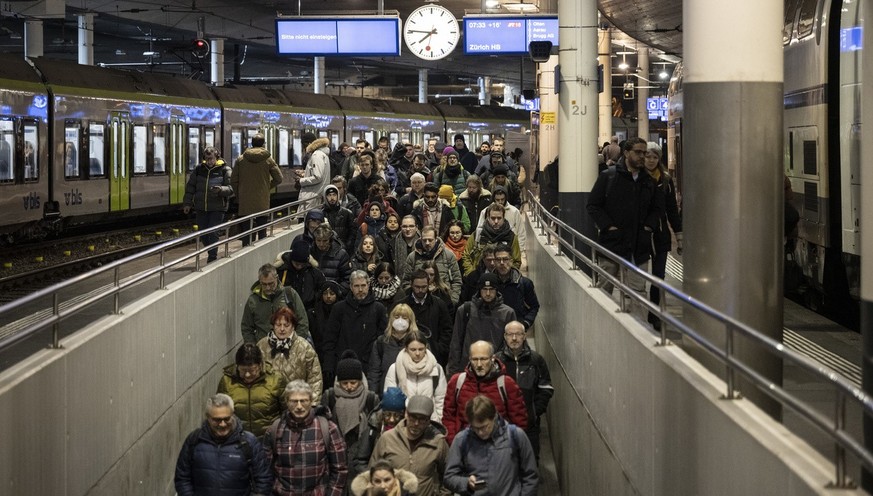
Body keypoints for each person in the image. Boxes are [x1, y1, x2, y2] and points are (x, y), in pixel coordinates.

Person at [586, 137, 664, 305]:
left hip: (639, 248)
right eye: (638, 152)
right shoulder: (609, 177)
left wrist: (648, 227)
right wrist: (608, 226)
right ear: (627, 153)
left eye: (644, 153)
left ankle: (638, 329)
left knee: (638, 295)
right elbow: (593, 205)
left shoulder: (649, 182)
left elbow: (658, 209)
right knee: (603, 291)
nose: (642, 156)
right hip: (612, 245)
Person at [174, 393, 272, 496]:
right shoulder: (194, 440)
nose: (223, 424)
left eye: (227, 419)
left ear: (233, 415)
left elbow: (264, 480)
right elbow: (182, 478)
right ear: (208, 417)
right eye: (217, 420)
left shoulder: (249, 442)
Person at [264, 380, 348, 496]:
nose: (299, 406)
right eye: (294, 401)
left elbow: (340, 469)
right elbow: (265, 471)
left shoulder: (327, 428)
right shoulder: (274, 430)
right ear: (286, 402)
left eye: (303, 401)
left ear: (311, 401)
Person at [443, 395, 538, 495]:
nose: (480, 432)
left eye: (484, 427)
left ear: (494, 417)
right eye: (475, 428)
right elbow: (449, 477)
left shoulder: (515, 436)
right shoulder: (462, 440)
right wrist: (466, 483)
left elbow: (530, 476)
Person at [443, 341, 527, 444]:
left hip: (498, 446)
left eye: (483, 359)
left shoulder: (506, 384)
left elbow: (519, 421)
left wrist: (509, 448)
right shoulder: (457, 382)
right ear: (469, 359)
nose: (479, 364)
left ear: (492, 358)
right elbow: (448, 416)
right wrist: (454, 442)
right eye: (475, 359)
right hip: (465, 446)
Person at [495, 321, 553, 460]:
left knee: (530, 460)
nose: (514, 338)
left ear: (524, 336)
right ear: (505, 336)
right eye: (510, 334)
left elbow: (546, 388)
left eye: (518, 334)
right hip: (503, 424)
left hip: (529, 424)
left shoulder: (536, 360)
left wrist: (534, 412)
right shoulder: (496, 361)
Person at [322, 350, 381, 486]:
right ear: (338, 381)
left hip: (362, 457)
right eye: (345, 383)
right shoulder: (330, 396)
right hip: (336, 455)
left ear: (360, 381)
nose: (349, 387)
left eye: (353, 382)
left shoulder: (370, 398)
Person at [370, 396, 449, 496]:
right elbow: (372, 473)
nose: (416, 423)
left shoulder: (438, 442)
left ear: (429, 420)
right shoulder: (387, 439)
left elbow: (448, 475)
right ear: (406, 414)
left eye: (422, 420)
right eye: (413, 417)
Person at [644, 142, 683, 328]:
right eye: (648, 156)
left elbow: (672, 211)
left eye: (655, 157)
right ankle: (639, 311)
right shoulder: (636, 177)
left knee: (658, 276)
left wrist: (679, 235)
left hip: (661, 235)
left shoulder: (665, 180)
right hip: (641, 235)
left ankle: (654, 313)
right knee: (638, 274)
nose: (651, 160)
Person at [323, 270, 388, 381]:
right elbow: (330, 339)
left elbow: (382, 340)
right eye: (357, 286)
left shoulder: (378, 309)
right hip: (343, 364)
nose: (360, 290)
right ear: (351, 287)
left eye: (363, 285)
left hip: (369, 366)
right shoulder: (339, 309)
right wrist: (328, 365)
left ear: (368, 286)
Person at [447, 273, 516, 376]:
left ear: (497, 290)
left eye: (491, 289)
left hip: (496, 370)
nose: (488, 293)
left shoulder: (507, 313)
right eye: (484, 289)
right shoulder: (465, 310)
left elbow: (510, 345)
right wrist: (453, 373)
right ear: (479, 290)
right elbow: (456, 343)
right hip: (468, 370)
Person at [217, 343, 286, 439]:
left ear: (260, 365)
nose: (247, 375)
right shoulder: (227, 382)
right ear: (237, 366)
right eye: (243, 370)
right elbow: (219, 412)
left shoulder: (275, 380)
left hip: (268, 439)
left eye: (252, 370)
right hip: (237, 439)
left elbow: (286, 412)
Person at [257, 307, 323, 402]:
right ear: (273, 326)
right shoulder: (262, 346)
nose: (282, 329)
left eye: (286, 325)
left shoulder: (305, 348)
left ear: (293, 326)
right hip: (268, 405)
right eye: (278, 325)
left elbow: (315, 379)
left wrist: (312, 404)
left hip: (298, 403)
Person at [183, 146, 234, 263]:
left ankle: (212, 257)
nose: (209, 162)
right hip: (201, 207)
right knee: (203, 234)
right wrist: (187, 204)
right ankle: (211, 252)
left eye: (211, 159)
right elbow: (190, 188)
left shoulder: (225, 170)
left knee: (213, 232)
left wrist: (221, 190)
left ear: (217, 157)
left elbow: (231, 188)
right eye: (207, 159)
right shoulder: (199, 170)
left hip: (218, 207)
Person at [230, 133, 282, 246]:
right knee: (262, 233)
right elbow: (279, 178)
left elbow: (233, 181)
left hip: (245, 202)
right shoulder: (268, 159)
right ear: (263, 144)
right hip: (262, 202)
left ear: (251, 143)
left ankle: (245, 255)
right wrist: (267, 187)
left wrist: (239, 194)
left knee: (246, 234)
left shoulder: (241, 159)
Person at [384, 331, 447, 421]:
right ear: (406, 348)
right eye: (413, 349)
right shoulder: (395, 368)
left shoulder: (436, 368)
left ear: (426, 348)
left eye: (421, 349)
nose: (417, 353)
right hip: (403, 421)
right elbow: (390, 400)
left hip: (430, 421)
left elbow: (441, 399)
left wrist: (439, 421)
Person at [241, 264, 311, 344]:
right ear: (259, 281)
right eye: (264, 284)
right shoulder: (253, 301)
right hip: (263, 350)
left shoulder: (290, 294)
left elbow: (303, 322)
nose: (268, 288)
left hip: (290, 348)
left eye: (271, 284)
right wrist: (253, 348)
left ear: (277, 278)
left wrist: (294, 343)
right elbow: (246, 328)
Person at [273, 239, 327, 331]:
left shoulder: (314, 273)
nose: (299, 267)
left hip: (309, 314)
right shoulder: (281, 271)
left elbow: (321, 291)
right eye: (296, 264)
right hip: (284, 315)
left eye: (302, 264)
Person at [401, 226, 462, 306]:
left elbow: (457, 281)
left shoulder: (448, 255)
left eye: (430, 240)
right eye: (424, 240)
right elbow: (406, 282)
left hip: (444, 301)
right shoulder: (412, 257)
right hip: (418, 303)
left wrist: (452, 300)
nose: (427, 243)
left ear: (436, 239)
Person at [367, 303, 419, 393]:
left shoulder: (417, 343)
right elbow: (374, 372)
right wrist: (373, 395)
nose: (400, 320)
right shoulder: (381, 342)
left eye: (404, 318)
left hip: (411, 392)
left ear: (410, 321)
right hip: (387, 392)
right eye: (397, 316)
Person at [404, 269, 453, 366]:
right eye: (417, 287)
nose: (420, 290)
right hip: (407, 355)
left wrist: (439, 349)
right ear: (411, 284)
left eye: (424, 287)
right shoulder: (403, 305)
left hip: (434, 356)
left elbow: (447, 330)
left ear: (428, 284)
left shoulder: (439, 304)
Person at [462, 203, 521, 276]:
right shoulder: (478, 235)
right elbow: (466, 255)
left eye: (499, 218)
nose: (496, 221)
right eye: (493, 218)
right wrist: (471, 273)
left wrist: (506, 275)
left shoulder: (511, 237)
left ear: (504, 218)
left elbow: (516, 261)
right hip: (479, 279)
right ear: (488, 217)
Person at [491, 243, 539, 331]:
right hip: (493, 330)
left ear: (511, 261)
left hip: (516, 331)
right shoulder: (489, 283)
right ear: (494, 261)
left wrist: (525, 323)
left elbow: (534, 306)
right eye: (498, 259)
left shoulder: (524, 283)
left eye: (505, 259)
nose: (502, 263)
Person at [474, 185, 527, 252]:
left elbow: (521, 232)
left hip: (510, 247)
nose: (500, 202)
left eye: (502, 199)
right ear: (494, 199)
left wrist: (519, 250)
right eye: (497, 200)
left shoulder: (514, 212)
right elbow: (479, 229)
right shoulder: (485, 212)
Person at [312, 224, 353, 289]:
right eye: (318, 240)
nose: (321, 244)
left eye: (325, 241)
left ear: (330, 240)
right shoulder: (310, 253)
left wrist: (337, 292)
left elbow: (347, 279)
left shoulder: (341, 254)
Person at [297, 132, 331, 209]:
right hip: (315, 196)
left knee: (306, 219)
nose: (303, 147)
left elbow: (318, 177)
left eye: (304, 144)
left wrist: (301, 181)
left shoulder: (317, 155)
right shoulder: (322, 154)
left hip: (312, 197)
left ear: (308, 143)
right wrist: (305, 173)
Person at [351, 459, 419, 496]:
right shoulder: (366, 494)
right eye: (377, 481)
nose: (383, 486)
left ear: (395, 478)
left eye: (387, 480)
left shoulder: (408, 494)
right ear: (371, 482)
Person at [323, 183, 358, 253]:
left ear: (338, 196)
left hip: (344, 250)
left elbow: (353, 233)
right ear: (325, 197)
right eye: (329, 195)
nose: (332, 198)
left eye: (334, 195)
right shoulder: (321, 214)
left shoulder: (347, 213)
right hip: (326, 250)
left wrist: (346, 247)